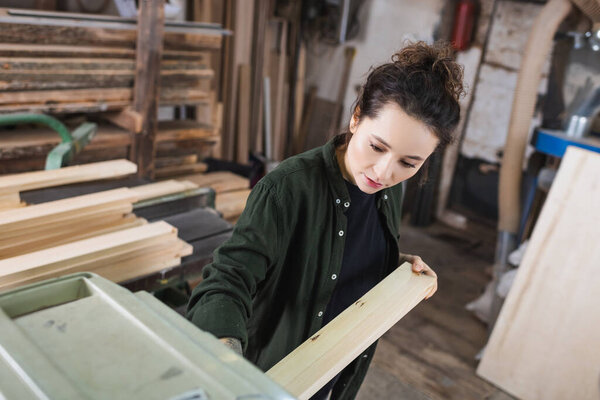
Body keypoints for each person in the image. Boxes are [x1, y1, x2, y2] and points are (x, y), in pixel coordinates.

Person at [186, 40, 464, 399]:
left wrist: (395, 266)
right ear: (356, 117)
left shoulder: (390, 190)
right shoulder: (287, 188)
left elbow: (340, 252)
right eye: (377, 147)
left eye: (409, 163)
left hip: (332, 376)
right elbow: (228, 278)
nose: (383, 171)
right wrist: (225, 358)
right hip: (270, 378)